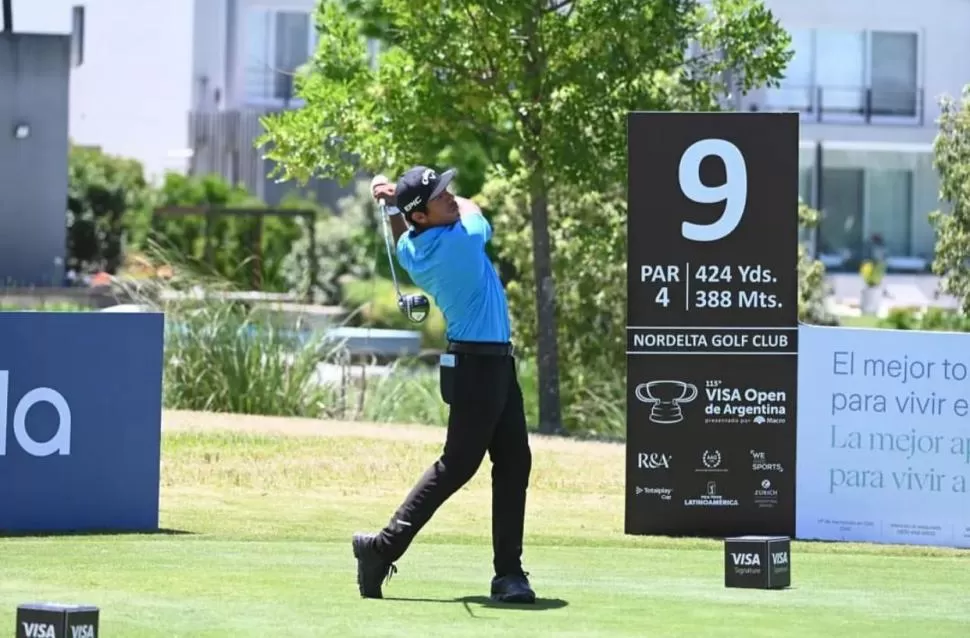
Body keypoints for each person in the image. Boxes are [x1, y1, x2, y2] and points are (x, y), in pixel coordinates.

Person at [352, 165, 536, 604]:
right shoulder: (461, 241)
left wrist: (401, 200)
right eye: (439, 196)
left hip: (490, 364)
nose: (451, 197)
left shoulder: (410, 247)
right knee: (457, 466)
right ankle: (381, 547)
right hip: (478, 367)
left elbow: (404, 228)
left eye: (447, 189)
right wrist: (399, 197)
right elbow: (475, 210)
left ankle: (509, 573)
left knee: (514, 462)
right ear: (421, 216)